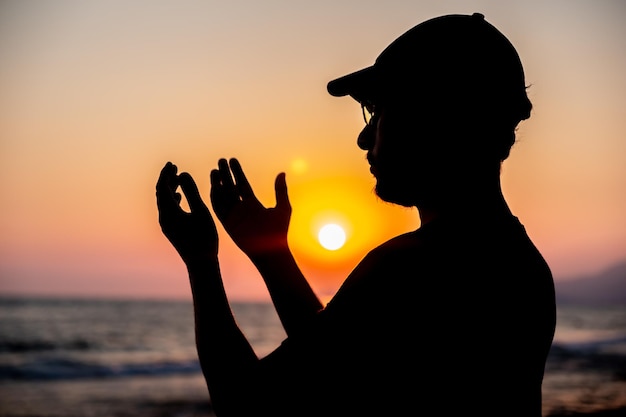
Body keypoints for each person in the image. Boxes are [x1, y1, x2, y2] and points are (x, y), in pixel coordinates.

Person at [156, 12, 556, 417]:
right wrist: (272, 254)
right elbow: (336, 355)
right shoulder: (521, 264)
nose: (364, 136)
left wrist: (202, 262)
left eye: (380, 111)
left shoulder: (412, 267)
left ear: (432, 118)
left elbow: (244, 402)